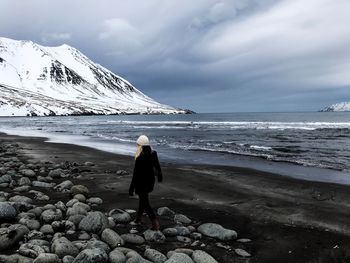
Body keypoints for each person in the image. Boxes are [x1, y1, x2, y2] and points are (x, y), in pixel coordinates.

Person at [129, 135, 163, 230]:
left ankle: (155, 223)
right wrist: (160, 178)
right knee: (143, 200)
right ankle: (138, 219)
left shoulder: (139, 156)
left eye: (138, 144)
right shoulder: (153, 153)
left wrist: (131, 188)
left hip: (141, 183)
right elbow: (157, 167)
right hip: (150, 182)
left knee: (145, 203)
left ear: (140, 145)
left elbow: (136, 174)